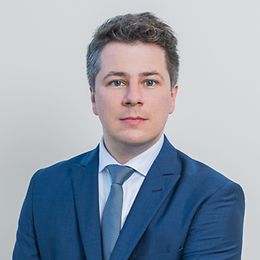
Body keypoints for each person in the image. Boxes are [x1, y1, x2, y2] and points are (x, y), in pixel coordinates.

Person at [13, 12, 245, 260]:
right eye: (117, 82)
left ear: (172, 97)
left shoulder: (212, 195)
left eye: (150, 82)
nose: (133, 97)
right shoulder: (46, 187)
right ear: (93, 97)